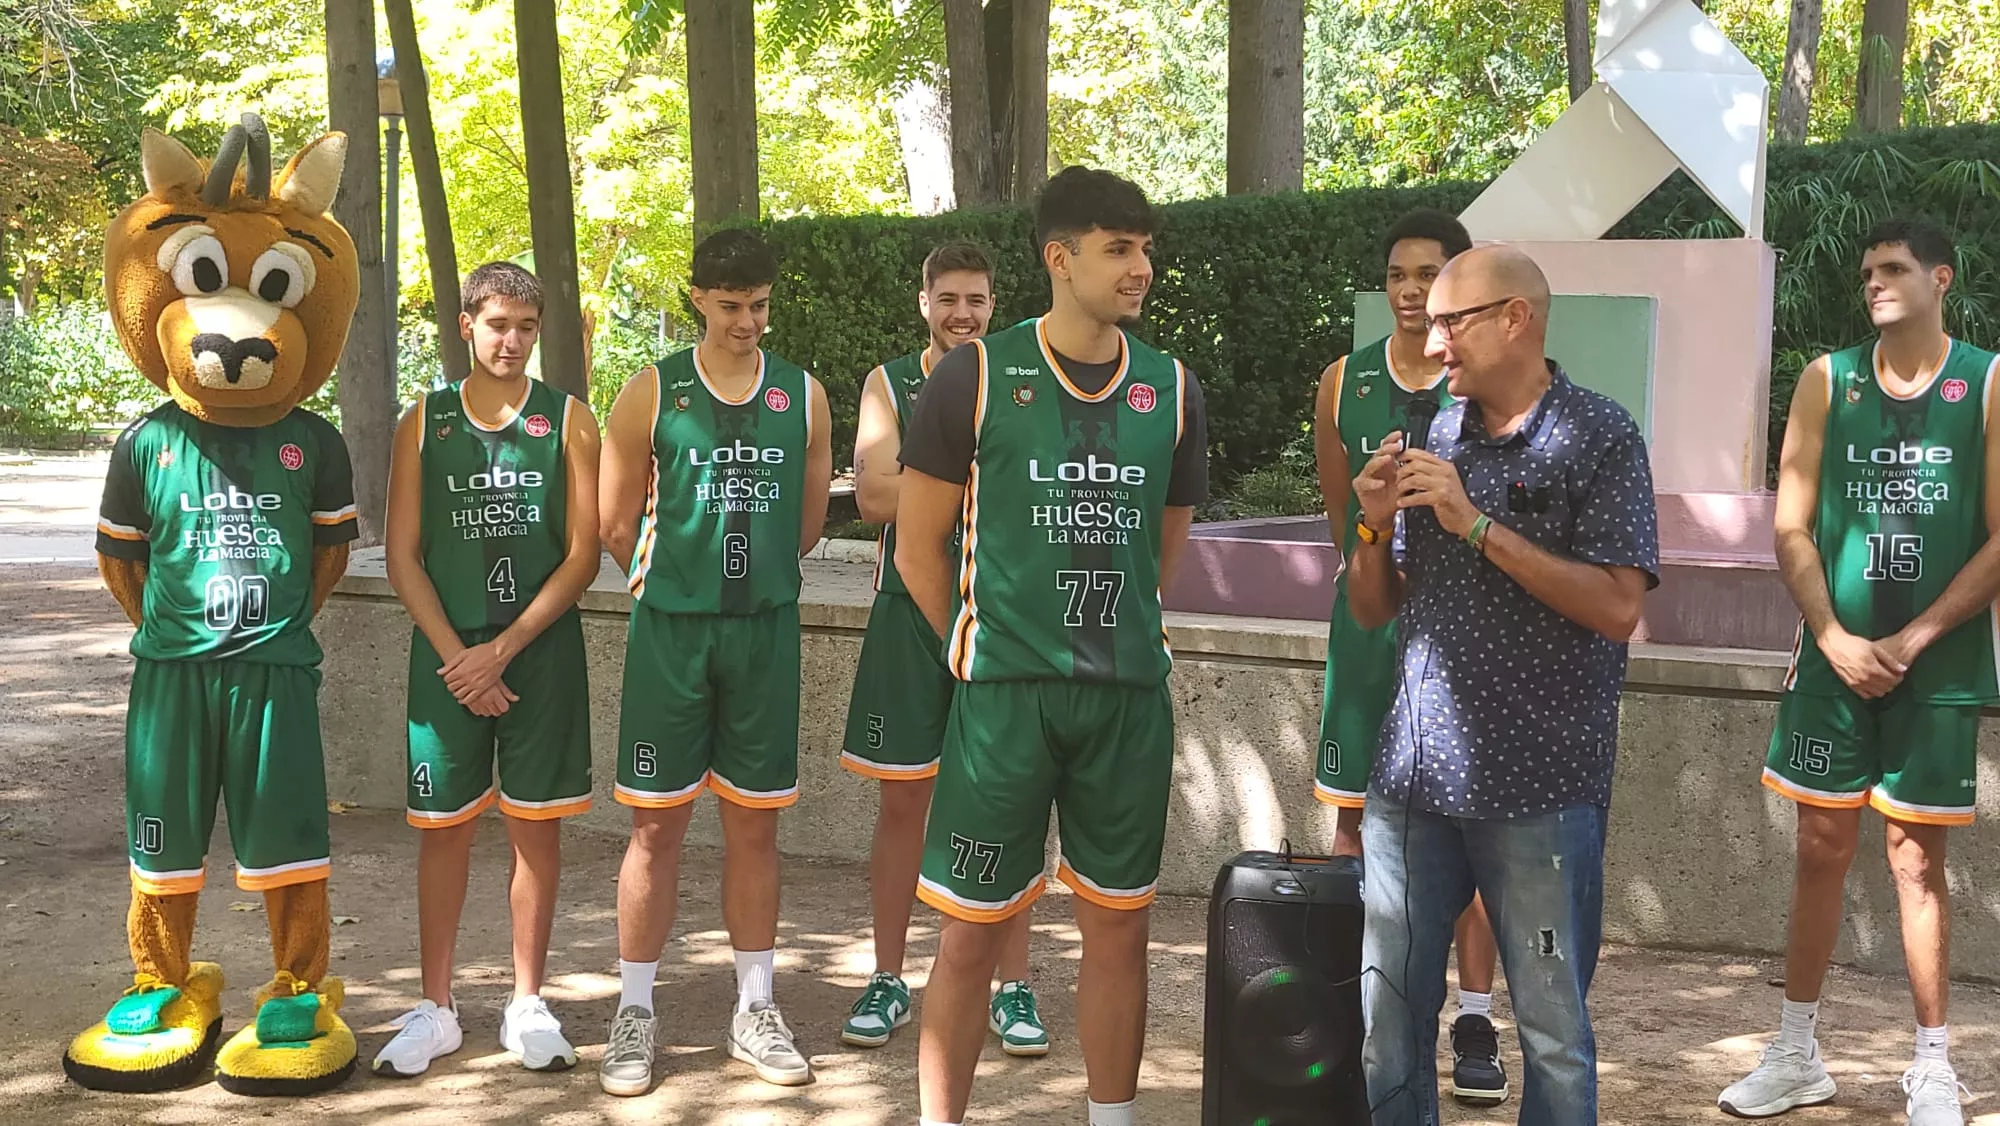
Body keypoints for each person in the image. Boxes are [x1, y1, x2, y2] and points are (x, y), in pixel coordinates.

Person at [897, 166, 1209, 1126]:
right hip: (1005, 700)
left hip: (1125, 699)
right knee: (968, 940)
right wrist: (983, 644)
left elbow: (1163, 550)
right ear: (1059, 258)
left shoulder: (1173, 387)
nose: (1140, 268)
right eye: (1120, 248)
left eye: (1146, 248)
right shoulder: (976, 374)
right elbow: (918, 548)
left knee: (1121, 934)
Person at [1346, 244, 1658, 1126]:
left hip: (1542, 787)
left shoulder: (1600, 436)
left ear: (1515, 318)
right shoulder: (1433, 435)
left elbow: (1616, 607)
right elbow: (1375, 608)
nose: (1432, 337)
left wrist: (1473, 523)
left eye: (1453, 320)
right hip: (1412, 784)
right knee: (1388, 1015)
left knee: (1553, 1033)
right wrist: (1371, 528)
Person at [1718, 219, 1999, 1126]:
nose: (1874, 282)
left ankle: (1930, 1068)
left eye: (1893, 269)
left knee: (1917, 861)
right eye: (1866, 271)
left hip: (1937, 661)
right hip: (1832, 659)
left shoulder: (1988, 382)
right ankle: (1797, 1051)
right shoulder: (1826, 379)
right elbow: (1791, 527)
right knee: (1818, 849)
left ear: (1941, 278)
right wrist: (1834, 634)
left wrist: (1914, 638)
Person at [596, 229, 833, 1094]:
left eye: (760, 307)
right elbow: (616, 524)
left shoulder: (803, 396)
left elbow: (807, 523)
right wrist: (680, 582)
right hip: (673, 632)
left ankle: (756, 1008)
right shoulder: (652, 391)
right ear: (698, 298)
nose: (747, 322)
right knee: (655, 826)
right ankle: (635, 1011)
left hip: (763, 631)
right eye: (731, 306)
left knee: (755, 823)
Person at [373, 263, 602, 1077]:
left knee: (535, 827)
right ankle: (436, 1007)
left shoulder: (570, 420)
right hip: (446, 653)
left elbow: (582, 557)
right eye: (498, 323)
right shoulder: (423, 422)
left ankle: (527, 1001)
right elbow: (402, 557)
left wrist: (500, 652)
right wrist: (458, 659)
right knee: (445, 830)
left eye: (528, 327)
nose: (513, 341)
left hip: (536, 649)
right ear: (466, 324)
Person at [1310, 208, 1507, 1106]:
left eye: (1428, 273)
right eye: (1397, 273)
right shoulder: (1343, 382)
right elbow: (1338, 515)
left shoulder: (1485, 385)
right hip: (1369, 632)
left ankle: (1473, 1016)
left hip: (1460, 637)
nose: (1410, 289)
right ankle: (1369, 1010)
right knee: (1353, 824)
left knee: (1465, 834)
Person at [839, 241, 1048, 1057]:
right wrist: (981, 476)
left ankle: (1015, 983)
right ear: (924, 302)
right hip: (908, 612)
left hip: (1004, 612)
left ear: (996, 305)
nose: (964, 313)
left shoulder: (1018, 376)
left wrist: (933, 476)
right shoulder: (889, 383)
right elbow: (875, 497)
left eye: (978, 300)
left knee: (1016, 798)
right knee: (904, 804)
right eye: (949, 299)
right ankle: (889, 976)